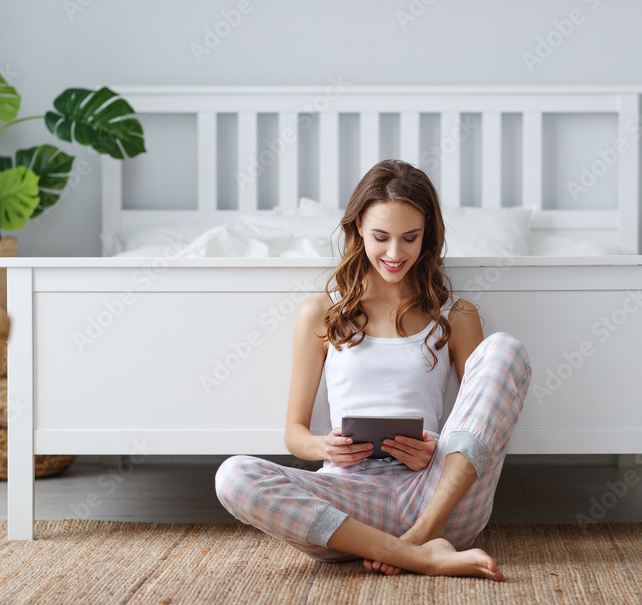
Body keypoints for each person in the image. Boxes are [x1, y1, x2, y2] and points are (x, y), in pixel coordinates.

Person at [216, 159, 531, 580]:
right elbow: (294, 432)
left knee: (504, 349)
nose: (395, 254)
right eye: (381, 237)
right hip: (348, 498)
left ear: (429, 235)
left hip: (436, 496)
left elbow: (477, 415)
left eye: (410, 238)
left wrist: (434, 449)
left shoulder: (456, 315)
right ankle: (419, 555)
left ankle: (421, 535)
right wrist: (325, 448)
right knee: (233, 476)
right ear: (358, 228)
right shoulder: (322, 314)